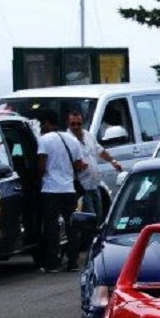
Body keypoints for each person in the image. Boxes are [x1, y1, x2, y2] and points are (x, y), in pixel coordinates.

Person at [66, 110, 123, 262]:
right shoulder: (68, 140)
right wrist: (77, 166)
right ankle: (89, 247)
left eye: (78, 124)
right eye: (73, 124)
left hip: (94, 183)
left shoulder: (88, 135)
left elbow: (99, 150)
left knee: (98, 215)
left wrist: (113, 161)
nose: (76, 127)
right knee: (88, 217)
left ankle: (93, 243)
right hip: (81, 185)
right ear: (68, 124)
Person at [35, 110, 86, 272]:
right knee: (72, 227)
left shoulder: (44, 140)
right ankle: (72, 262)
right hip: (69, 189)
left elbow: (41, 165)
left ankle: (53, 263)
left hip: (50, 190)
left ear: (48, 124)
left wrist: (38, 177)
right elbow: (78, 165)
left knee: (52, 227)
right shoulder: (72, 140)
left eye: (43, 125)